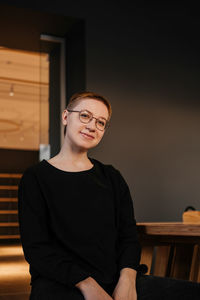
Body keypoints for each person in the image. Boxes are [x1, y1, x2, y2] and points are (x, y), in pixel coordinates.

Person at [18, 91, 200, 300]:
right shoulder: (35, 177)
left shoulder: (112, 177)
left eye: (101, 122)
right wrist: (87, 285)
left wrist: (128, 279)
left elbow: (129, 237)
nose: (92, 126)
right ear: (66, 117)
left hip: (116, 278)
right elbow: (37, 249)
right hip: (60, 283)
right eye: (85, 116)